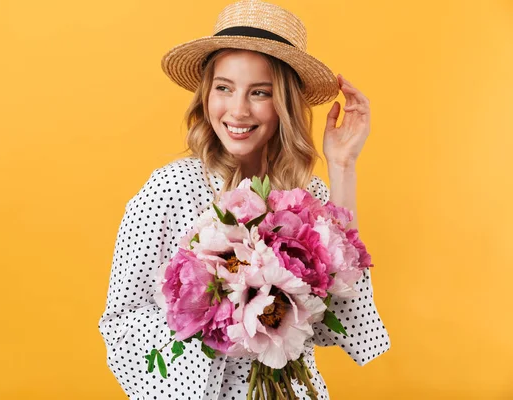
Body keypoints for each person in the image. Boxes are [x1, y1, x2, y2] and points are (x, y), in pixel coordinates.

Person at [98, 0, 391, 398]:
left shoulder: (309, 197)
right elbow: (121, 321)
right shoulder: (169, 189)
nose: (237, 110)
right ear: (206, 94)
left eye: (260, 92)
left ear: (284, 103)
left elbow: (343, 317)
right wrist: (220, 321)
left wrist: (343, 167)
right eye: (224, 88)